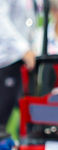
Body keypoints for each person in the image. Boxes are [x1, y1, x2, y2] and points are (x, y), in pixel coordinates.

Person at [0, 0, 37, 137]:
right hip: (6, 60)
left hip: (22, 60)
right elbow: (1, 19)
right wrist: (23, 49)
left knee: (31, 118)